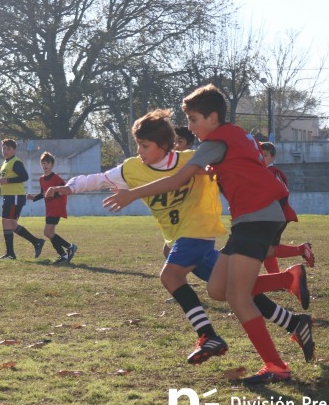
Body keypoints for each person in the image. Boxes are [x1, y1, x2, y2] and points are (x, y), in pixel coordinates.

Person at [49, 109, 314, 368]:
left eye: (144, 146)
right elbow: (97, 179)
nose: (139, 152)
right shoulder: (131, 169)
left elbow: (225, 166)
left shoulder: (193, 160)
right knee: (236, 290)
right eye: (137, 146)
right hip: (180, 238)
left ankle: (208, 334)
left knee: (171, 276)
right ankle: (292, 317)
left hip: (199, 231)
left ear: (165, 145)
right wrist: (68, 188)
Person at [103, 86, 307, 385]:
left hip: (257, 217)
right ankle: (286, 281)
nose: (192, 127)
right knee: (217, 289)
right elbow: (236, 167)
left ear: (213, 117)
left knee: (237, 296)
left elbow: (175, 180)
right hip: (254, 218)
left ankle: (275, 365)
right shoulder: (236, 135)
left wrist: (131, 195)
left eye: (195, 119)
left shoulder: (215, 142)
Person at [259, 141, 314, 279]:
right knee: (267, 248)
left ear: (273, 158)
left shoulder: (272, 172)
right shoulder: (261, 172)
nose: (261, 158)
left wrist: (273, 209)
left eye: (265, 155)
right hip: (270, 216)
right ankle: (276, 278)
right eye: (259, 155)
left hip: (277, 216)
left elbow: (283, 191)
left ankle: (301, 250)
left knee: (265, 249)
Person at [0, 139, 44, 260]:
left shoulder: (16, 162)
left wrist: (7, 181)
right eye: (3, 148)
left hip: (15, 197)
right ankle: (37, 242)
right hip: (9, 196)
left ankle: (10, 254)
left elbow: (24, 176)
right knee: (13, 225)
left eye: (8, 148)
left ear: (14, 150)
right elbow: (6, 180)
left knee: (6, 222)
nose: (5, 151)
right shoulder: (5, 163)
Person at [26, 151, 77, 263]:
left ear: (52, 165)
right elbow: (43, 193)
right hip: (49, 208)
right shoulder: (41, 179)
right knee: (51, 234)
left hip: (57, 208)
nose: (45, 165)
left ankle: (69, 247)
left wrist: (54, 193)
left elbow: (64, 191)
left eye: (48, 163)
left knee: (47, 232)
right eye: (43, 163)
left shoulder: (56, 178)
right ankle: (63, 256)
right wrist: (33, 197)